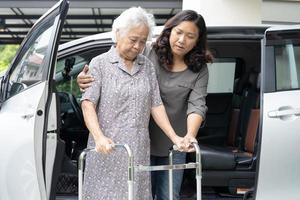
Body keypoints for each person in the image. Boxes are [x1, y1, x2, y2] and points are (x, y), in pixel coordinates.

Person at [78, 10, 212, 200]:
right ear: (117, 33)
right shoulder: (104, 62)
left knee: (144, 195)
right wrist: (99, 137)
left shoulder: (146, 64)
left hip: (144, 147)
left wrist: (179, 137)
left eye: (142, 41)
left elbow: (159, 104)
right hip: (111, 146)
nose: (137, 46)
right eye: (133, 39)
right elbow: (88, 103)